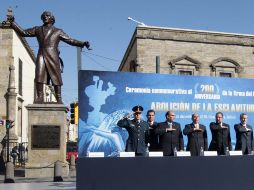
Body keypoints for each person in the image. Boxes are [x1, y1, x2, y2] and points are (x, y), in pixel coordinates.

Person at [7, 11, 90, 104]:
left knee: (56, 77)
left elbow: (70, 40)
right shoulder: (37, 29)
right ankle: (40, 97)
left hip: (53, 55)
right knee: (39, 75)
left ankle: (59, 98)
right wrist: (13, 23)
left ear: (52, 18)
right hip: (41, 54)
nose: (45, 17)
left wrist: (82, 43)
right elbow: (23, 32)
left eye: (47, 15)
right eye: (43, 16)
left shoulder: (58, 31)